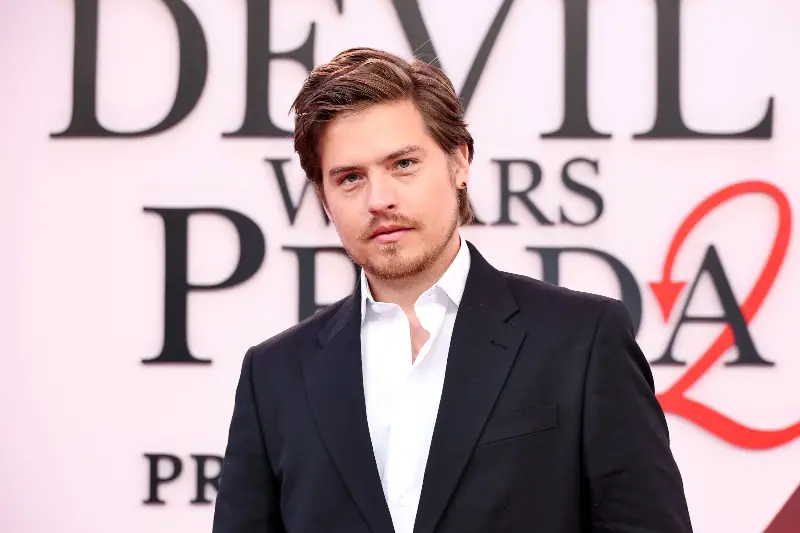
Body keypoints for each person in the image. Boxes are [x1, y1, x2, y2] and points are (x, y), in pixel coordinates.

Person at [212, 47, 693, 533]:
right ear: (324, 198)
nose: (379, 200)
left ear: (459, 162)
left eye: (403, 164)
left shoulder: (582, 340)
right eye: (351, 177)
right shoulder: (273, 375)